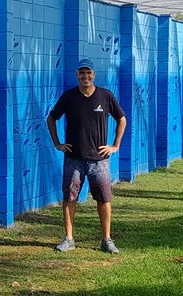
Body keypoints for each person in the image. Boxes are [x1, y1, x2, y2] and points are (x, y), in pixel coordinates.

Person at [47, 57, 126, 253]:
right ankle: (69, 238)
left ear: (94, 75)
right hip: (74, 158)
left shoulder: (105, 96)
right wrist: (57, 143)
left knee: (104, 199)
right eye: (82, 73)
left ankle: (107, 240)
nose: (85, 76)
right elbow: (51, 118)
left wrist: (115, 145)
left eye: (88, 73)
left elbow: (121, 119)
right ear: (77, 75)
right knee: (69, 198)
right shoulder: (69, 97)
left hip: (99, 160)